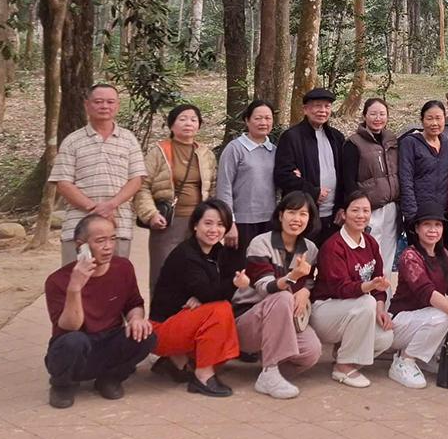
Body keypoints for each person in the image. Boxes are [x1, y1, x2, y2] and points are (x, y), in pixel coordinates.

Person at [43, 214, 156, 408]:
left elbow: (134, 303)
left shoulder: (123, 267)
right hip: (75, 344)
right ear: (82, 246)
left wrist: (136, 318)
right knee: (74, 341)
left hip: (109, 339)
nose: (108, 247)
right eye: (100, 241)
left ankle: (110, 378)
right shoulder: (58, 280)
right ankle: (63, 385)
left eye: (112, 239)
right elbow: (70, 326)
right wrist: (75, 288)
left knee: (147, 335)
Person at [231, 190, 323, 398]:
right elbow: (265, 288)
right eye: (291, 212)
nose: (297, 219)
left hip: (283, 322)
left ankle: (269, 374)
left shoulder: (310, 249)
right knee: (282, 297)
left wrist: (306, 291)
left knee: (311, 351)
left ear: (309, 219)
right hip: (248, 321)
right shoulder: (260, 243)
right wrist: (293, 276)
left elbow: (311, 280)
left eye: (303, 214)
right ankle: (271, 371)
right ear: (281, 215)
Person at [148, 199, 244, 397]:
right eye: (208, 223)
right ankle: (203, 376)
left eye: (220, 224)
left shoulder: (216, 251)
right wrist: (229, 287)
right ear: (195, 225)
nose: (214, 230)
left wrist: (205, 298)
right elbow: (211, 293)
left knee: (221, 311)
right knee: (220, 310)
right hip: (160, 331)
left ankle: (175, 361)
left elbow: (212, 290)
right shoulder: (186, 254)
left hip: (181, 322)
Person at [49, 83, 146, 264]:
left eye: (110, 102)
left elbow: (136, 179)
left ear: (117, 105)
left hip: (118, 226)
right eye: (98, 102)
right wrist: (94, 209)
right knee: (76, 276)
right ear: (87, 105)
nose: (104, 106)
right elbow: (63, 183)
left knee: (116, 278)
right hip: (79, 227)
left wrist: (111, 205)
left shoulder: (129, 140)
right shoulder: (72, 141)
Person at [310, 190, 396, 389]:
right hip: (325, 311)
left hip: (353, 309)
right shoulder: (333, 246)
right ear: (343, 214)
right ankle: (343, 367)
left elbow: (379, 283)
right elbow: (340, 288)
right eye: (355, 210)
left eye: (366, 211)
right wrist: (369, 287)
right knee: (367, 302)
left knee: (385, 337)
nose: (361, 215)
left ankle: (343, 351)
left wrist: (381, 309)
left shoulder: (371, 243)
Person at [387, 205, 448, 389]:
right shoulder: (410, 256)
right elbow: (427, 292)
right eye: (427, 224)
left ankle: (425, 357)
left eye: (437, 225)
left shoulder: (443, 254)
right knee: (445, 315)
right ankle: (404, 360)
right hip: (400, 322)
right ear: (417, 228)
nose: (433, 230)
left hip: (424, 318)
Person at [136, 104, 219, 292]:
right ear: (172, 125)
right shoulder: (159, 151)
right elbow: (142, 185)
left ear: (199, 125)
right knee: (163, 273)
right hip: (167, 222)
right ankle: (161, 311)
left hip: (198, 223)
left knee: (195, 273)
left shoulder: (205, 154)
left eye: (193, 119)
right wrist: (150, 214)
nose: (188, 123)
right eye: (182, 119)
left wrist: (213, 219)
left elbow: (213, 186)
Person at [275, 87, 347, 244]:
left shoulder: (336, 137)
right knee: (304, 257)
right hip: (303, 215)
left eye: (327, 106)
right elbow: (282, 175)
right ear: (305, 109)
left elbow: (345, 175)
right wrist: (313, 192)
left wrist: (344, 206)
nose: (322, 111)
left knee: (330, 257)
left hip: (333, 216)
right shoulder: (292, 137)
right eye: (317, 106)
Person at [339, 97, 400, 276]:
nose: (378, 118)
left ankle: (384, 292)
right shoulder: (354, 143)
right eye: (373, 114)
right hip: (369, 209)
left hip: (391, 207)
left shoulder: (392, 141)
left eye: (382, 114)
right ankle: (367, 290)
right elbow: (348, 180)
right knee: (368, 253)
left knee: (388, 253)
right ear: (364, 115)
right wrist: (358, 207)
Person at [217, 99, 278, 255]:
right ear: (247, 120)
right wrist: (229, 222)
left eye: (268, 118)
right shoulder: (235, 149)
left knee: (264, 264)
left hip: (269, 220)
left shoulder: (275, 151)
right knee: (240, 265)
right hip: (242, 222)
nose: (263, 122)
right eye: (258, 118)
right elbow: (224, 187)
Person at [399, 100, 448, 230]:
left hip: (442, 214)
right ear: (422, 120)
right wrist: (411, 214)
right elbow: (405, 179)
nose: (434, 123)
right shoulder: (410, 143)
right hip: (419, 213)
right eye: (429, 118)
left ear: (445, 119)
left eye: (438, 118)